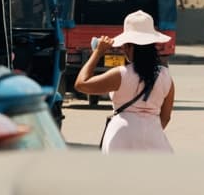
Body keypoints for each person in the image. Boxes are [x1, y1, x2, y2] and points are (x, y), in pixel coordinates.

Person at [74, 10, 175, 153]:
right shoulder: (166, 76)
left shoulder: (121, 74)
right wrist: (145, 132)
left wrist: (97, 52)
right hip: (154, 137)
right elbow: (165, 117)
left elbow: (81, 84)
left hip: (121, 137)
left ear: (129, 46)